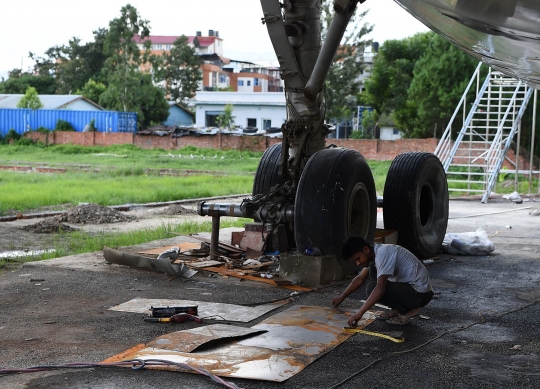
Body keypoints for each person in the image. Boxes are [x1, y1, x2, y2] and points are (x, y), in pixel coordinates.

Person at [332, 236, 434, 326]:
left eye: (358, 259)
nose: (357, 263)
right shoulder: (375, 255)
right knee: (373, 271)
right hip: (410, 289)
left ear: (366, 249)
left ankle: (409, 311)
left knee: (372, 288)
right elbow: (360, 278)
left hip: (420, 294)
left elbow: (380, 289)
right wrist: (341, 297)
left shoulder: (383, 254)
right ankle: (397, 309)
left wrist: (359, 314)